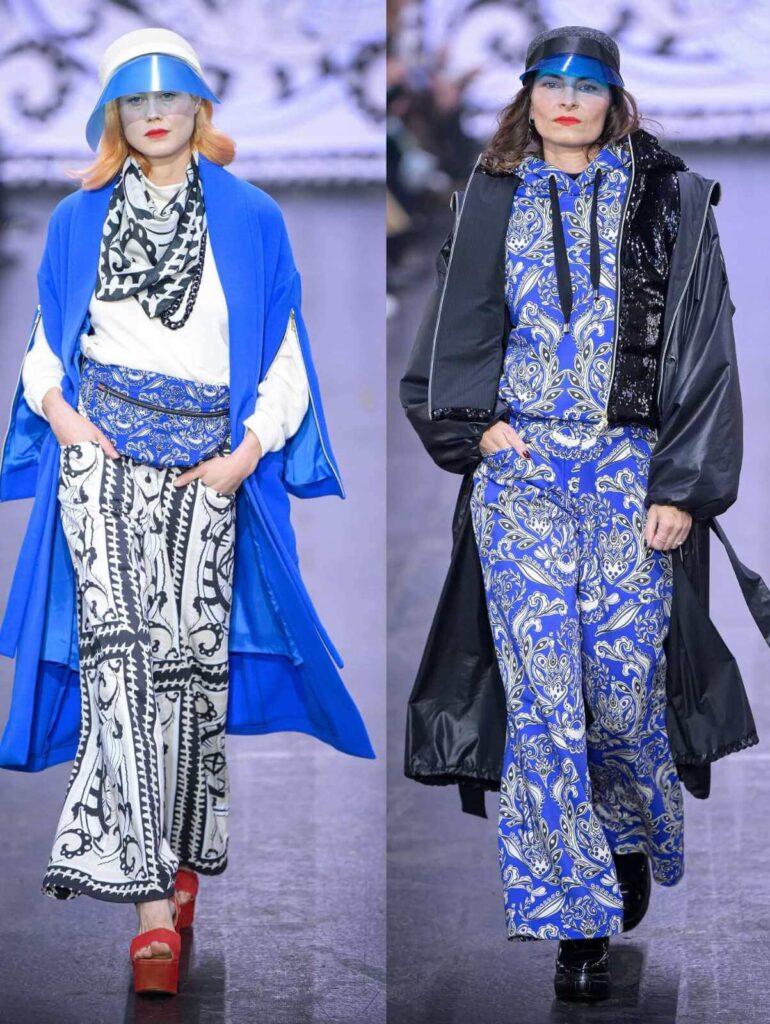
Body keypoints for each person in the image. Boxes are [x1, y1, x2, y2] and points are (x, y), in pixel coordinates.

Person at [0, 27, 374, 996]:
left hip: (207, 470)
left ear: (201, 106)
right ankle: (149, 913)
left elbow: (283, 355)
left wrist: (241, 459)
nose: (155, 113)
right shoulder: (79, 218)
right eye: (135, 99)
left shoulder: (250, 216)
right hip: (100, 463)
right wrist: (68, 424)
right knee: (118, 663)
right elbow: (46, 344)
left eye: (171, 97)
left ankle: (175, 854)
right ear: (113, 115)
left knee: (186, 671)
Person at [400, 24, 769, 1003]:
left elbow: (707, 348)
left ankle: (621, 832)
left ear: (614, 97)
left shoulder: (669, 202)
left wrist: (681, 486)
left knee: (620, 687)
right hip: (521, 473)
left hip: (626, 471)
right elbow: (444, 339)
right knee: (544, 701)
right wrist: (473, 431)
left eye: (587, 84)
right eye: (550, 82)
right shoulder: (488, 198)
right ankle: (576, 917)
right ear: (527, 95)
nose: (567, 99)